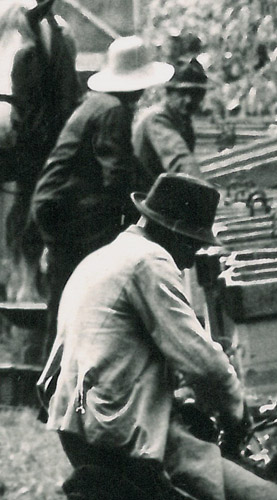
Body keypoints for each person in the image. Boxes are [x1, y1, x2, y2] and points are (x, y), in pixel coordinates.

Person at [39, 173, 277, 500]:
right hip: (118, 436)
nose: (190, 259)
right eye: (191, 244)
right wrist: (235, 413)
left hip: (80, 430)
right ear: (170, 231)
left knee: (214, 465)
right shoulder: (149, 263)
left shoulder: (103, 257)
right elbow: (203, 363)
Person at [30, 36, 173, 357]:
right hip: (72, 212)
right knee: (87, 289)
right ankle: (64, 376)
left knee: (67, 292)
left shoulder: (96, 103)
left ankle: (57, 377)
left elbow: (125, 168)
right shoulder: (114, 113)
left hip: (57, 206)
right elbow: (117, 177)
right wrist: (143, 218)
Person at [130, 58, 211, 192]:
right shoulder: (157, 118)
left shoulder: (182, 120)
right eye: (183, 94)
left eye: (196, 94)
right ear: (169, 93)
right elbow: (179, 159)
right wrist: (205, 191)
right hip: (141, 196)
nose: (189, 100)